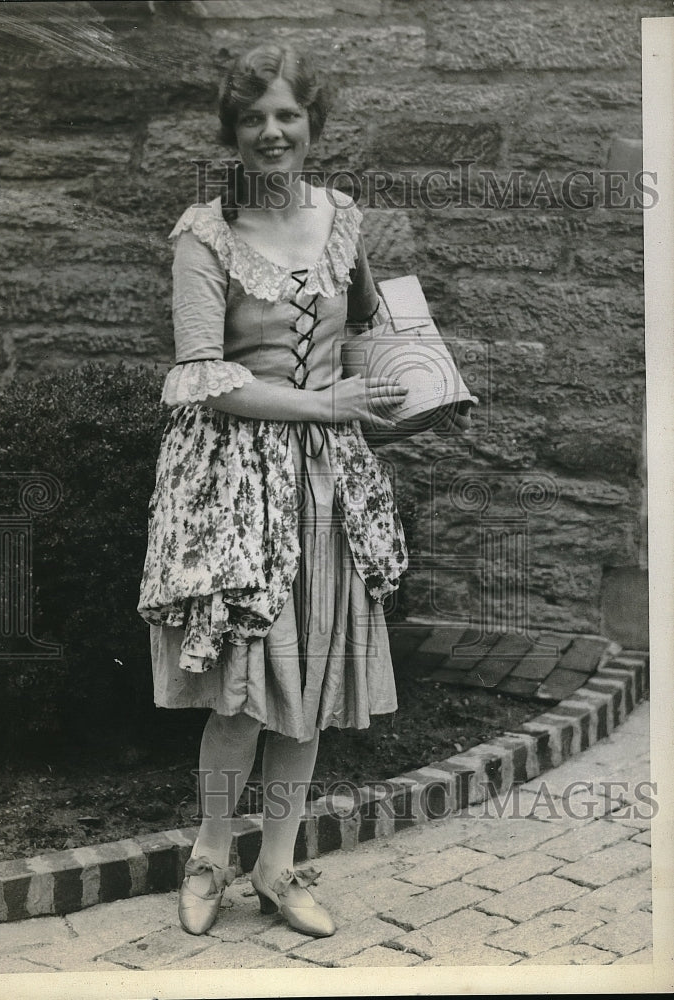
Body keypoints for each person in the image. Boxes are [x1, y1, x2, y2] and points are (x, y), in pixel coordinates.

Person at [137, 43, 470, 939]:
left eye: (288, 115)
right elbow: (203, 375)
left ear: (313, 126)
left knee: (312, 686)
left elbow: (366, 335)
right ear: (232, 132)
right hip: (237, 485)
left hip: (330, 485)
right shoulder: (202, 233)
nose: (272, 132)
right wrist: (330, 403)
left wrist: (413, 392)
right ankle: (210, 854)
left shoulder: (344, 219)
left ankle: (277, 869)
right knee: (245, 693)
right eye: (253, 118)